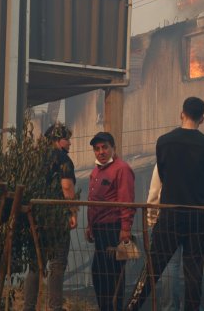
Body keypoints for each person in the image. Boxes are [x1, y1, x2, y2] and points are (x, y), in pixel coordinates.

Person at [126, 97, 204, 311]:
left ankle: (132, 307)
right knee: (194, 273)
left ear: (182, 113)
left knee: (152, 269)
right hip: (199, 218)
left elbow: (161, 178)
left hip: (170, 216)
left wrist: (152, 215)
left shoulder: (164, 142)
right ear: (202, 119)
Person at [23, 123, 77, 311]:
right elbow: (67, 188)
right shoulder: (63, 159)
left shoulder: (34, 158)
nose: (70, 143)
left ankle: (28, 307)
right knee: (57, 264)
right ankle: (55, 307)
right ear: (58, 140)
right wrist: (72, 212)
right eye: (67, 139)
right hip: (56, 218)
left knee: (35, 265)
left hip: (34, 218)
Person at [86, 132, 135, 311]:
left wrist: (125, 228)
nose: (101, 152)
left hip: (113, 229)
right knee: (99, 274)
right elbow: (92, 202)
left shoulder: (122, 169)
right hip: (99, 230)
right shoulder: (95, 172)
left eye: (104, 147)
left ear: (113, 148)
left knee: (112, 275)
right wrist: (90, 226)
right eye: (97, 149)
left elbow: (127, 200)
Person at [145, 165, 204, 311]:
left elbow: (154, 191)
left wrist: (151, 218)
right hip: (196, 220)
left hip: (168, 220)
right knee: (194, 267)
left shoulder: (164, 160)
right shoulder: (199, 156)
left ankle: (170, 308)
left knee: (170, 265)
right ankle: (194, 307)